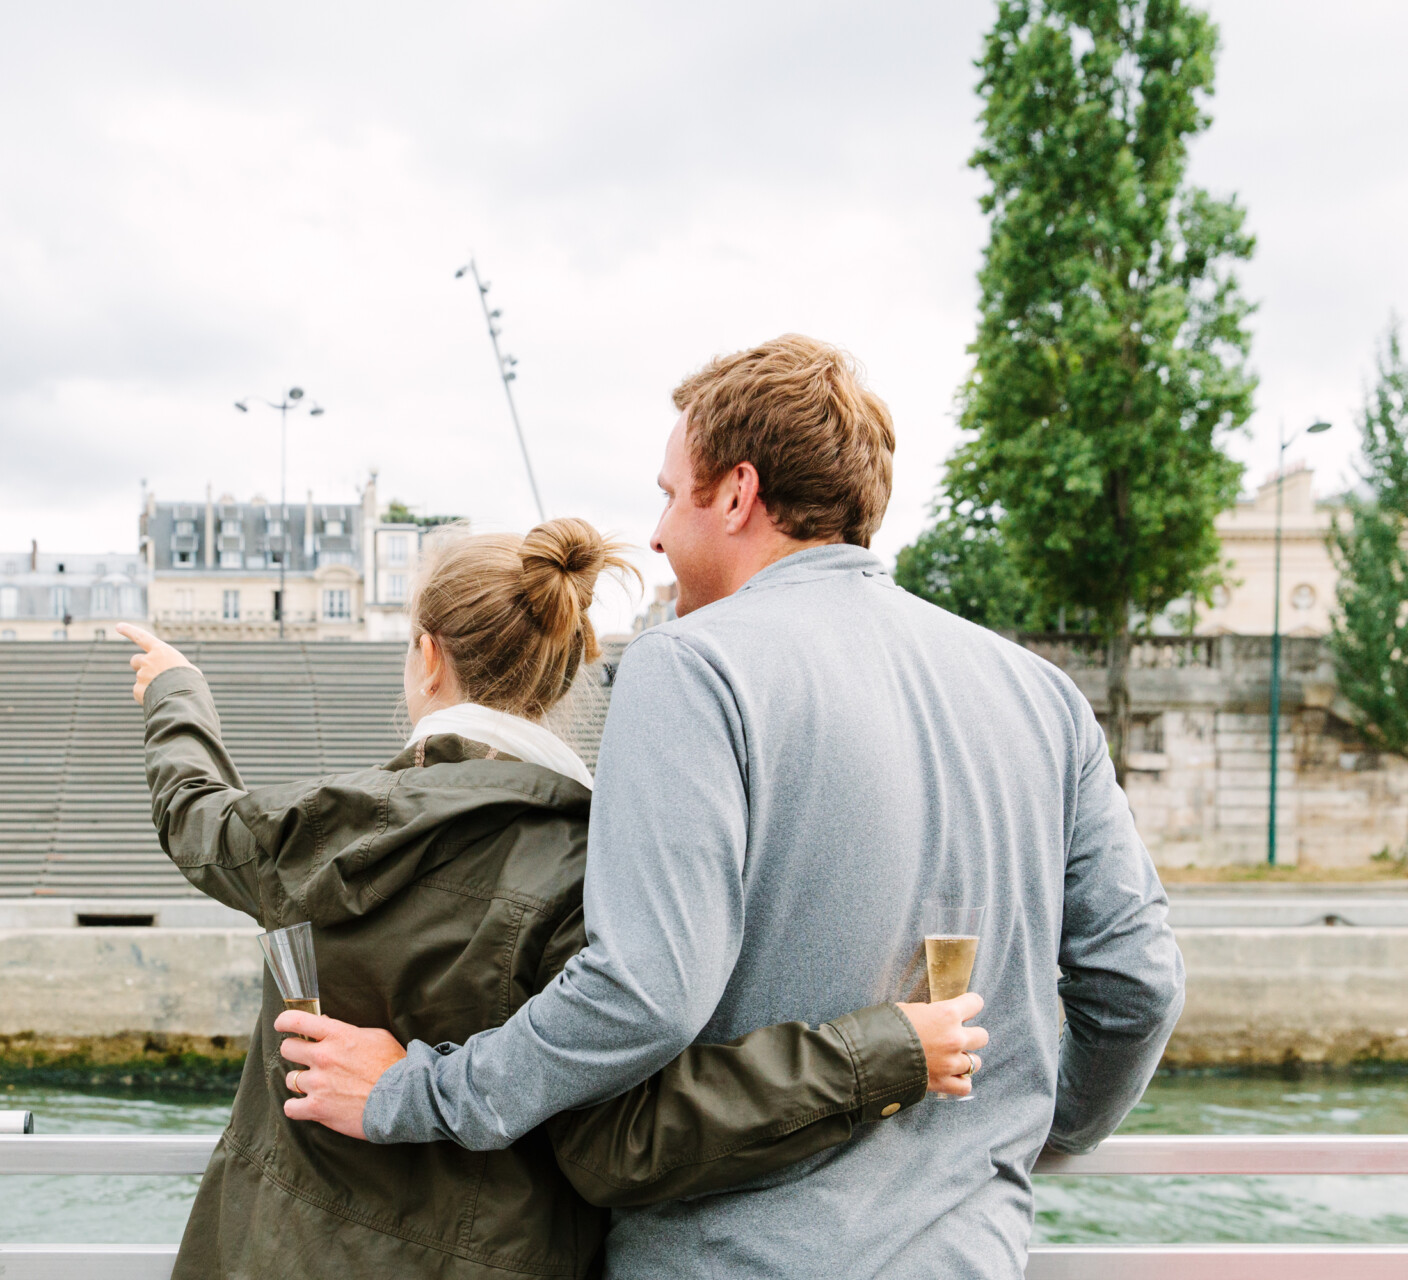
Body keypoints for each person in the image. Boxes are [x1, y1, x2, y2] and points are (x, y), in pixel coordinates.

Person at [281, 336, 1186, 1279]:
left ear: (738, 494)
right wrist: (1027, 1139)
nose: (661, 533)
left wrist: (415, 1093)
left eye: (672, 493)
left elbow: (644, 994)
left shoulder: (693, 666)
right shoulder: (1043, 698)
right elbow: (1137, 985)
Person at [116, 516, 988, 1280]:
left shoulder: (309, 831)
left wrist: (176, 691)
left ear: (427, 655)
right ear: (565, 671)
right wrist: (881, 1050)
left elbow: (191, 812)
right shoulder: (603, 868)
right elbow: (622, 1144)